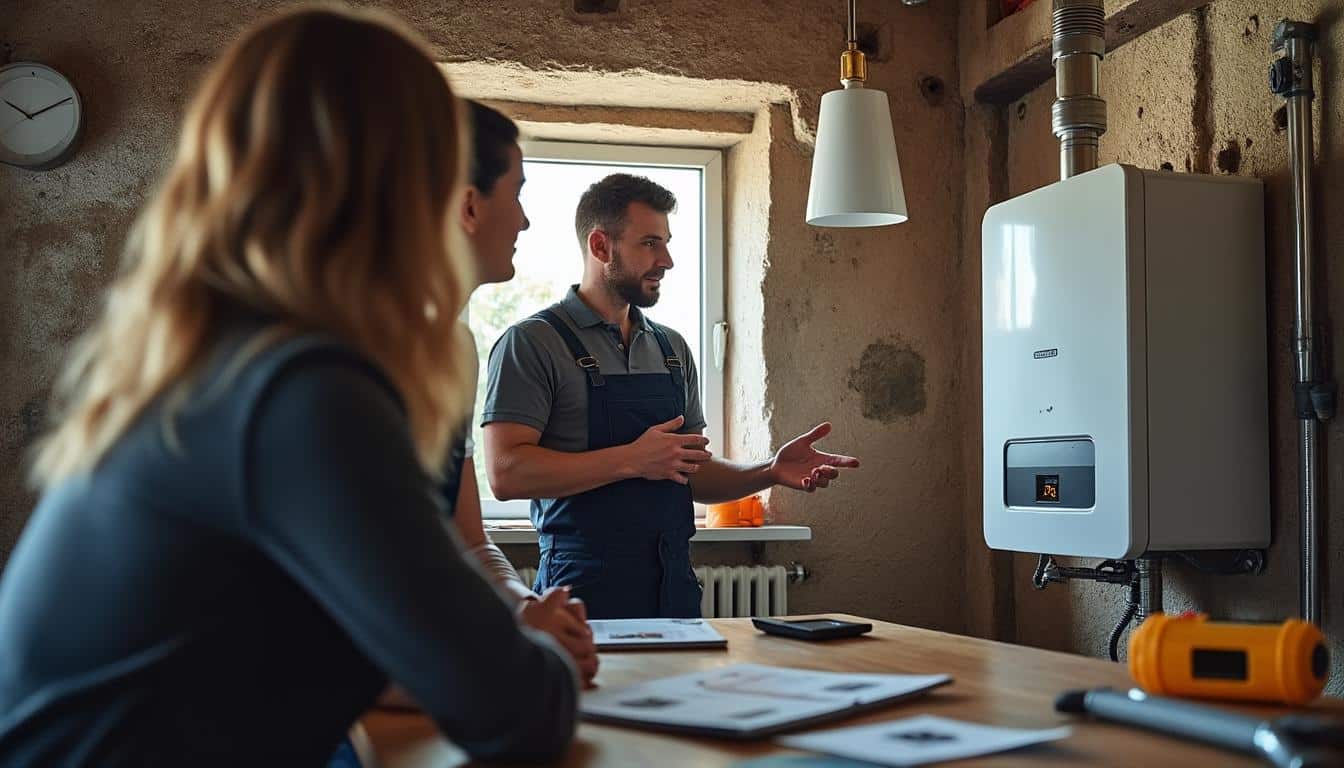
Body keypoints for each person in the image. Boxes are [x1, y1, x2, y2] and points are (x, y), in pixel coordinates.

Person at [0, 8, 575, 766]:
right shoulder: (300, 390)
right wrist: (516, 650)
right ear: (406, 183)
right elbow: (513, 708)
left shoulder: (223, 358)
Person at [482, 173, 860, 619]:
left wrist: (770, 470)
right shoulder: (532, 343)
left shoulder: (671, 350)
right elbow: (505, 473)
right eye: (650, 244)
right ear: (601, 246)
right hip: (580, 593)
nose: (667, 260)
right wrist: (631, 459)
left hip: (675, 588)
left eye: (666, 243)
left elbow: (692, 474)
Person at [440, 100, 597, 683]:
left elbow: (471, 545)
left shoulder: (454, 351)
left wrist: (525, 607)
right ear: (469, 205)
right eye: (518, 190)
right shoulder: (343, 360)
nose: (526, 220)